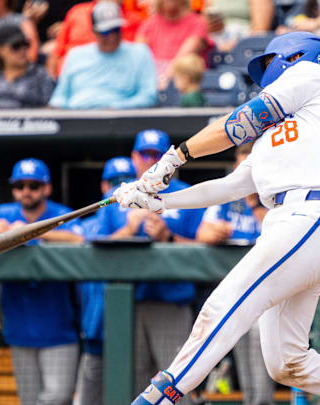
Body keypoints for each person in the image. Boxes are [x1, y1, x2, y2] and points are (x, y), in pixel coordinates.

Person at [113, 31, 320, 405]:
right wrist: (159, 202)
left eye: (270, 63)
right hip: (299, 223)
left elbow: (238, 122)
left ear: (295, 56)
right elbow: (232, 185)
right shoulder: (286, 133)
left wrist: (173, 158)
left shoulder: (317, 77)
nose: (266, 73)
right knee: (286, 362)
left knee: (225, 304)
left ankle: (160, 396)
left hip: (313, 213)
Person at [97, 129, 205, 405]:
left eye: (158, 156)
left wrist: (167, 237)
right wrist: (130, 230)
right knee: (130, 386)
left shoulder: (189, 195)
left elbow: (204, 249)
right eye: (145, 155)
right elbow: (92, 248)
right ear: (134, 158)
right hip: (126, 305)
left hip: (172, 303)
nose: (151, 161)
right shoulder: (118, 197)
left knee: (176, 388)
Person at [0, 158, 83, 405]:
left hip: (59, 327)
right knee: (29, 400)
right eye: (20, 186)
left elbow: (79, 240)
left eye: (33, 185)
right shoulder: (2, 213)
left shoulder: (61, 213)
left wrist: (31, 230)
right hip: (19, 325)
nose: (26, 191)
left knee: (58, 396)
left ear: (46, 188)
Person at [196, 143, 274, 405]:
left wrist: (254, 204)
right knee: (241, 353)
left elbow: (279, 234)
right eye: (243, 155)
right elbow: (202, 233)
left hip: (266, 294)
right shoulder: (227, 194)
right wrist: (215, 233)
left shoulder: (273, 192)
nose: (246, 161)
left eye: (252, 155)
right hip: (234, 292)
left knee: (260, 347)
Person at [75, 156, 136, 405]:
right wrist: (128, 231)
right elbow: (93, 245)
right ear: (103, 186)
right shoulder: (87, 224)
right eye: (114, 182)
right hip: (94, 322)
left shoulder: (145, 217)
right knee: (89, 396)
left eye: (125, 181)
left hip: (130, 327)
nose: (118, 187)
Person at [49, 1, 157, 109]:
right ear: (94, 31)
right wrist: (57, 110)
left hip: (122, 118)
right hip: (78, 115)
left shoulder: (139, 53)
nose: (112, 37)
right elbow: (60, 96)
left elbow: (149, 95)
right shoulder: (75, 55)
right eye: (105, 32)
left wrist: (117, 107)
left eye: (115, 30)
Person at [48, 0, 144, 78]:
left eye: (115, 30)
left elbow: (140, 60)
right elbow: (56, 54)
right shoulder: (76, 12)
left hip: (111, 79)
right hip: (70, 78)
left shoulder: (136, 21)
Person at [136, 0, 211, 88]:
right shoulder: (149, 24)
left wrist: (162, 80)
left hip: (182, 85)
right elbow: (139, 57)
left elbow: (182, 59)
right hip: (151, 83)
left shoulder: (197, 24)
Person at [202, 0, 274, 53]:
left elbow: (260, 30)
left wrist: (237, 44)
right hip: (216, 41)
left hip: (244, 42)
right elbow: (203, 24)